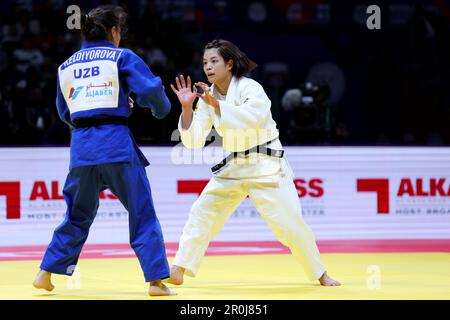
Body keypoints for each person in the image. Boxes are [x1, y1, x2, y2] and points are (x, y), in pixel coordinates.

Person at [168, 39, 341, 287]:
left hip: (265, 166)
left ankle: (320, 273)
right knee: (201, 213)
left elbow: (252, 119)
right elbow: (194, 141)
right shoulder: (208, 97)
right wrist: (187, 109)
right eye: (205, 62)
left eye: (214, 61)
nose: (208, 67)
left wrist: (217, 105)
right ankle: (179, 268)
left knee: (290, 224)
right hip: (233, 167)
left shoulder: (251, 88)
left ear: (229, 64)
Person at [32, 5, 175, 296]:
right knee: (141, 212)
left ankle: (45, 273)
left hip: (82, 149)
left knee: (77, 214)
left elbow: (64, 111)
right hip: (116, 145)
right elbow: (150, 93)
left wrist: (93, 116)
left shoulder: (66, 65)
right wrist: (160, 109)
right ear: (113, 31)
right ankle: (156, 281)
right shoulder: (121, 56)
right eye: (119, 30)